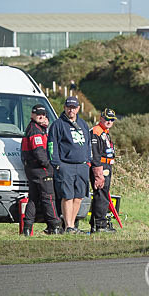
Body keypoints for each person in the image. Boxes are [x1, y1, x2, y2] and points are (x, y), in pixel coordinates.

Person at [48, 96, 92, 234]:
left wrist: (88, 161)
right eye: (68, 107)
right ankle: (68, 226)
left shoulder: (83, 124)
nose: (71, 110)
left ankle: (71, 225)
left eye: (73, 107)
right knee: (67, 196)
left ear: (78, 108)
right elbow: (51, 145)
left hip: (82, 165)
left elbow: (88, 143)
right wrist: (57, 164)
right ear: (64, 108)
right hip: (65, 165)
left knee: (78, 196)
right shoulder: (58, 124)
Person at [20, 104, 63, 235]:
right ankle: (55, 226)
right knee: (49, 197)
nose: (41, 116)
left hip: (32, 168)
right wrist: (49, 165)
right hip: (40, 168)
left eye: (43, 114)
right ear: (32, 115)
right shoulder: (35, 130)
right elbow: (39, 151)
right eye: (38, 114)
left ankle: (27, 227)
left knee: (33, 198)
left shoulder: (37, 128)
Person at [90, 108, 117, 233]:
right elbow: (95, 154)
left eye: (111, 119)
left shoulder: (105, 131)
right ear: (101, 118)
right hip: (100, 166)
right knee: (101, 195)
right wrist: (98, 173)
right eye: (107, 118)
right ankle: (100, 225)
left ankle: (95, 223)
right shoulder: (96, 131)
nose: (109, 121)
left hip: (107, 165)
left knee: (102, 194)